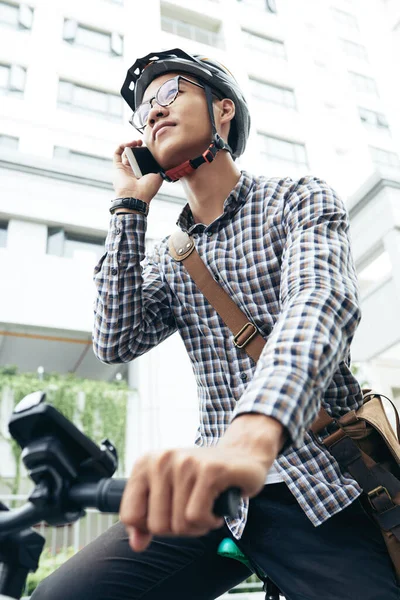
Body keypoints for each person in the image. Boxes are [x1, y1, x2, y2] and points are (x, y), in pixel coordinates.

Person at [32, 49, 398, 600]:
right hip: (215, 497)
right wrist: (129, 208)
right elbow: (114, 339)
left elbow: (319, 303)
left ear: (223, 110)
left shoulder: (297, 200)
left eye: (167, 93)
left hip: (320, 486)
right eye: (142, 110)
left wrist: (255, 428)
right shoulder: (168, 255)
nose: (152, 112)